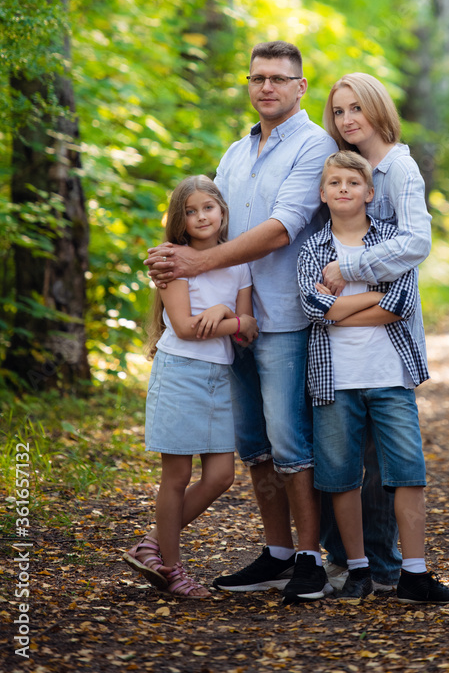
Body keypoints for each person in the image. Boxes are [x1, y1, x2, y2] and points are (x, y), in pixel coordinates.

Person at [144, 42, 337, 604]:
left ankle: (308, 558)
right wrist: (170, 260)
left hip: (282, 314)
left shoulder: (315, 145)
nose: (267, 87)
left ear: (301, 87)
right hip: (235, 321)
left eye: (280, 78)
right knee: (253, 445)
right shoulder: (233, 152)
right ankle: (276, 554)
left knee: (288, 441)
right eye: (258, 78)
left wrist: (198, 264)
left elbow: (283, 228)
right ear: (249, 85)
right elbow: (208, 227)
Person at [298, 152, 449, 604]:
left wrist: (338, 311)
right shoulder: (312, 248)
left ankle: (414, 573)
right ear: (322, 193)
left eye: (352, 183)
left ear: (370, 193)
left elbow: (400, 305)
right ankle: (357, 569)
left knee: (407, 471)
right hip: (333, 378)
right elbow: (313, 310)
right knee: (340, 477)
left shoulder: (393, 241)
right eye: (333, 183)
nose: (342, 189)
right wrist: (365, 299)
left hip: (390, 375)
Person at [318, 72, 432, 591]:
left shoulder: (399, 170)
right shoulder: (350, 171)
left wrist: (349, 274)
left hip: (386, 334)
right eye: (339, 112)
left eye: (355, 108)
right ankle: (354, 561)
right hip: (340, 346)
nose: (347, 120)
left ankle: (388, 567)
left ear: (377, 108)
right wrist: (330, 305)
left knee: (384, 460)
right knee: (344, 457)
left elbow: (414, 244)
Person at [124, 175, 258, 598]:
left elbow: (249, 327)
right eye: (190, 211)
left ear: (222, 211)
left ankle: (151, 545)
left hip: (221, 376)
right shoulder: (172, 260)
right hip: (180, 373)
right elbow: (182, 327)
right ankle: (172, 567)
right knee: (177, 476)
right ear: (179, 220)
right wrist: (227, 318)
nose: (201, 216)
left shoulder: (240, 261)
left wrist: (222, 313)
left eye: (208, 208)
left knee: (221, 476)